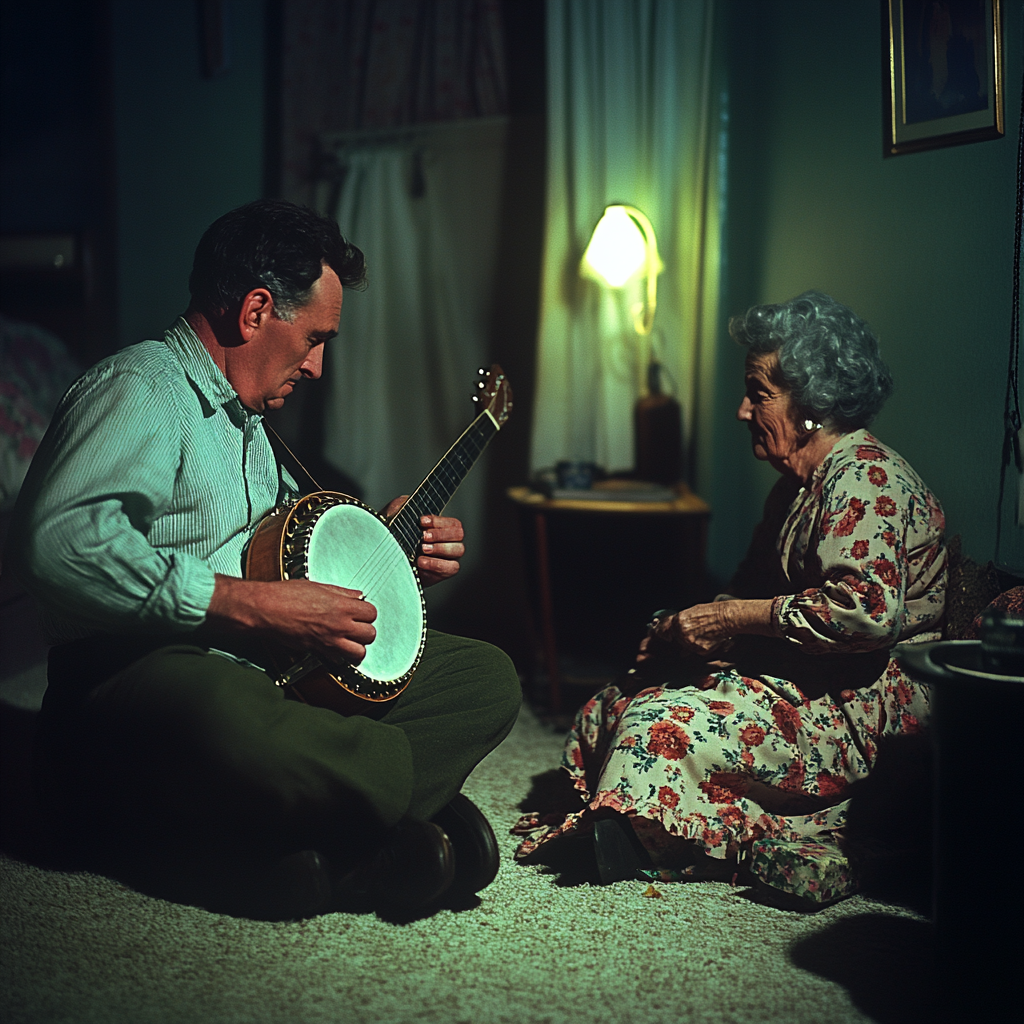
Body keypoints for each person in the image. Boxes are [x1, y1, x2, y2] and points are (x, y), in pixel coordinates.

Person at [5, 199, 521, 920]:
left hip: (271, 675)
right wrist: (244, 605)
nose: (316, 366)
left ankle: (320, 842)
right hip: (138, 675)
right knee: (228, 714)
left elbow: (291, 557)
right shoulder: (141, 390)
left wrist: (386, 547)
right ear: (255, 311)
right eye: (314, 338)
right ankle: (369, 831)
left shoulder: (253, 427)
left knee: (484, 678)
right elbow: (58, 544)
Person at [513, 291, 944, 897]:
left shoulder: (866, 479)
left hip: (866, 703)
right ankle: (647, 827)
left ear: (814, 403)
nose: (743, 410)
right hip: (803, 678)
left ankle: (664, 836)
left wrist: (731, 620)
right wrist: (681, 633)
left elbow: (864, 614)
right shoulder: (793, 489)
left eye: (759, 393)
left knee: (661, 725)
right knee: (614, 701)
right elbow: (741, 594)